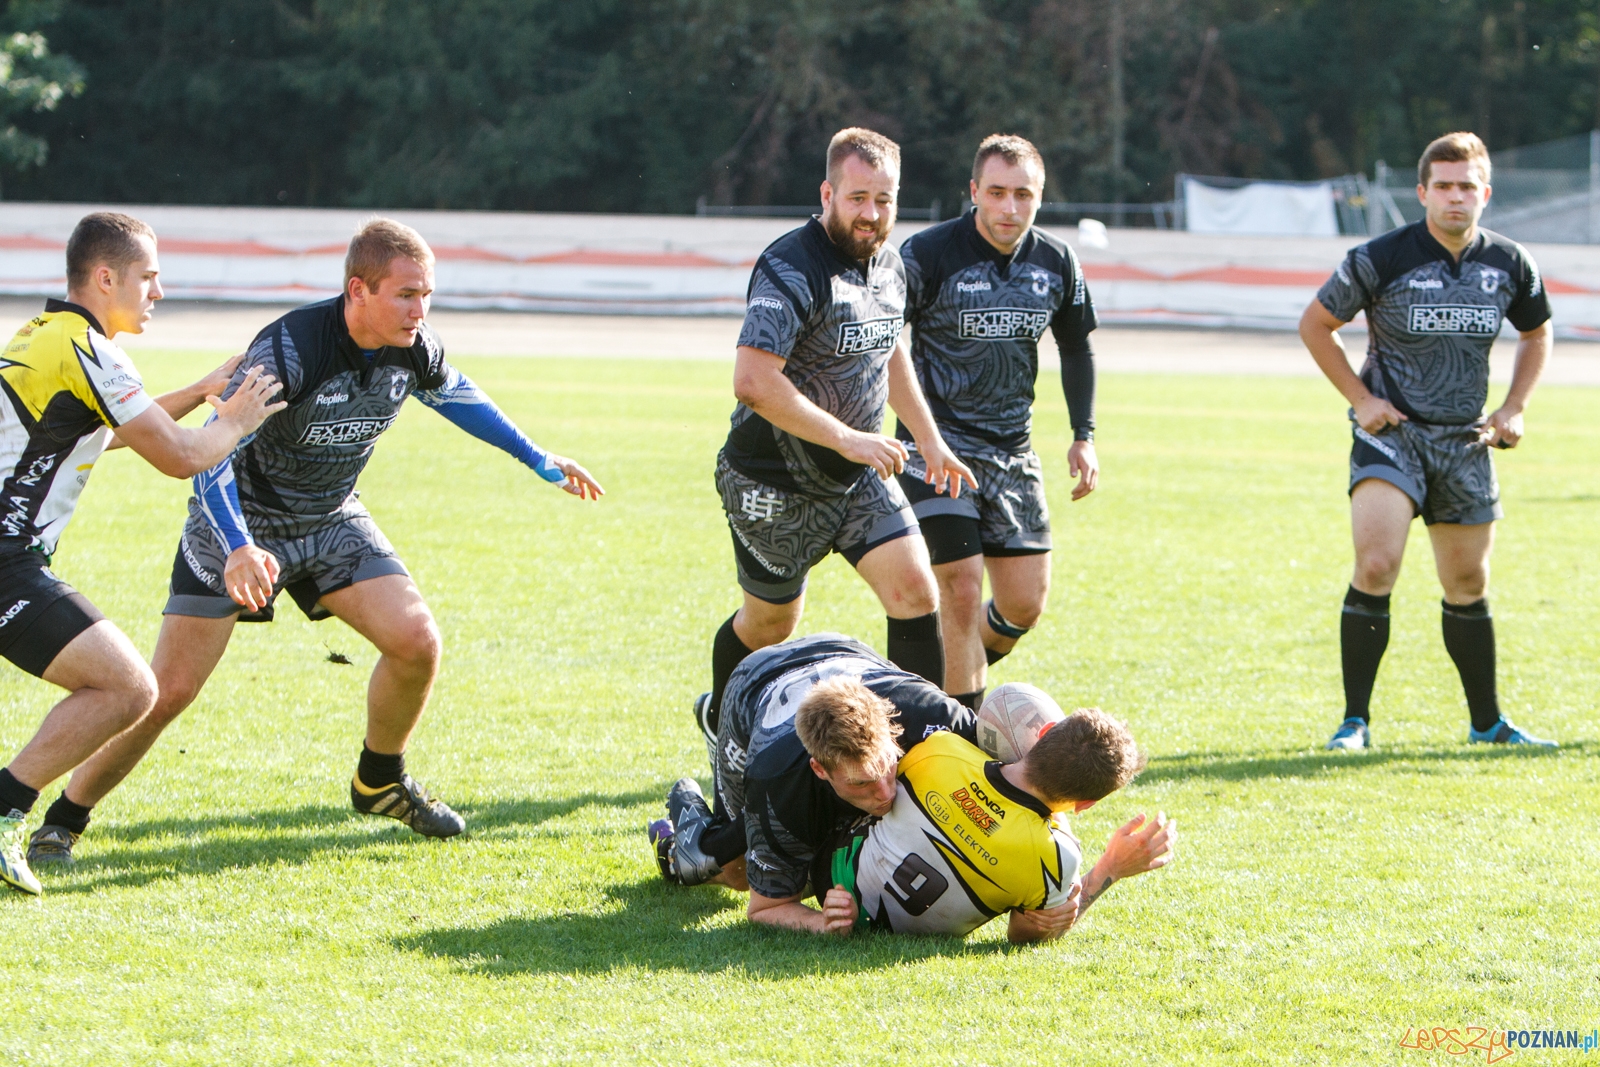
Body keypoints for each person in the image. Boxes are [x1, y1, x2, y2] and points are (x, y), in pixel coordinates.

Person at [25, 218, 603, 867]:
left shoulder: (416, 347)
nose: (421, 310)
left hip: (330, 518)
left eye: (427, 294)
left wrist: (537, 457)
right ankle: (63, 820)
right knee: (169, 690)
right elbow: (212, 454)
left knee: (417, 643)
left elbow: (459, 396)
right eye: (406, 294)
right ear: (359, 290)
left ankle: (379, 779)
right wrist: (240, 544)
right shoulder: (290, 350)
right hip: (238, 524)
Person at [0, 212, 286, 894]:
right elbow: (183, 456)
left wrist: (199, 390)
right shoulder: (90, 351)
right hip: (5, 560)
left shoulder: (49, 335)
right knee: (129, 688)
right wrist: (238, 418)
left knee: (126, 686)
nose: (158, 291)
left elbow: (106, 435)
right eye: (148, 277)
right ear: (106, 277)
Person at [695, 127, 977, 754]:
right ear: (828, 192)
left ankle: (916, 757)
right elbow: (752, 381)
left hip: (854, 475)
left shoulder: (891, 264)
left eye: (884, 199)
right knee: (771, 624)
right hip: (772, 479)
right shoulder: (791, 266)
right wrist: (851, 438)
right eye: (857, 198)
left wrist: (929, 439)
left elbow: (890, 349)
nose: (871, 214)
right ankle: (724, 730)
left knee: (915, 591)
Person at [1299, 131, 1555, 751]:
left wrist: (1515, 407)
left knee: (1467, 583)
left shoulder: (1510, 263)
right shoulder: (1380, 256)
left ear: (1485, 194)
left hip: (1467, 445)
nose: (1455, 198)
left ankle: (1487, 724)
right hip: (1394, 438)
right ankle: (1354, 723)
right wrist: (1362, 402)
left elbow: (1536, 333)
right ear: (1422, 192)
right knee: (1377, 563)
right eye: (1443, 186)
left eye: (1467, 186)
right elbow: (1316, 324)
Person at [897, 133, 1099, 709]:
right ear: (974, 192)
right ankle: (962, 735)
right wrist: (911, 435)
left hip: (1014, 455)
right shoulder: (929, 254)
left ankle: (938, 680)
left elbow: (1078, 349)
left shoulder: (1056, 261)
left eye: (1024, 195)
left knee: (1023, 607)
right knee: (959, 591)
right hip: (936, 449)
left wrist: (1084, 436)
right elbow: (885, 340)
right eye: (997, 193)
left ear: (1039, 197)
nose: (1010, 208)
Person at [652, 633, 977, 897]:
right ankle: (686, 841)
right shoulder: (776, 775)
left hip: (838, 648)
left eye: (887, 766)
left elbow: (1015, 758)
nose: (884, 793)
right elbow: (765, 908)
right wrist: (823, 922)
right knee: (735, 871)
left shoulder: (932, 716)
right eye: (861, 783)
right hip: (752, 682)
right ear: (819, 770)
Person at [825, 707, 1174, 941]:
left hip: (834, 878)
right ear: (1085, 805)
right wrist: (1110, 868)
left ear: (1045, 733)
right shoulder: (1055, 856)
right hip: (891, 932)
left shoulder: (942, 750)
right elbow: (1026, 935)